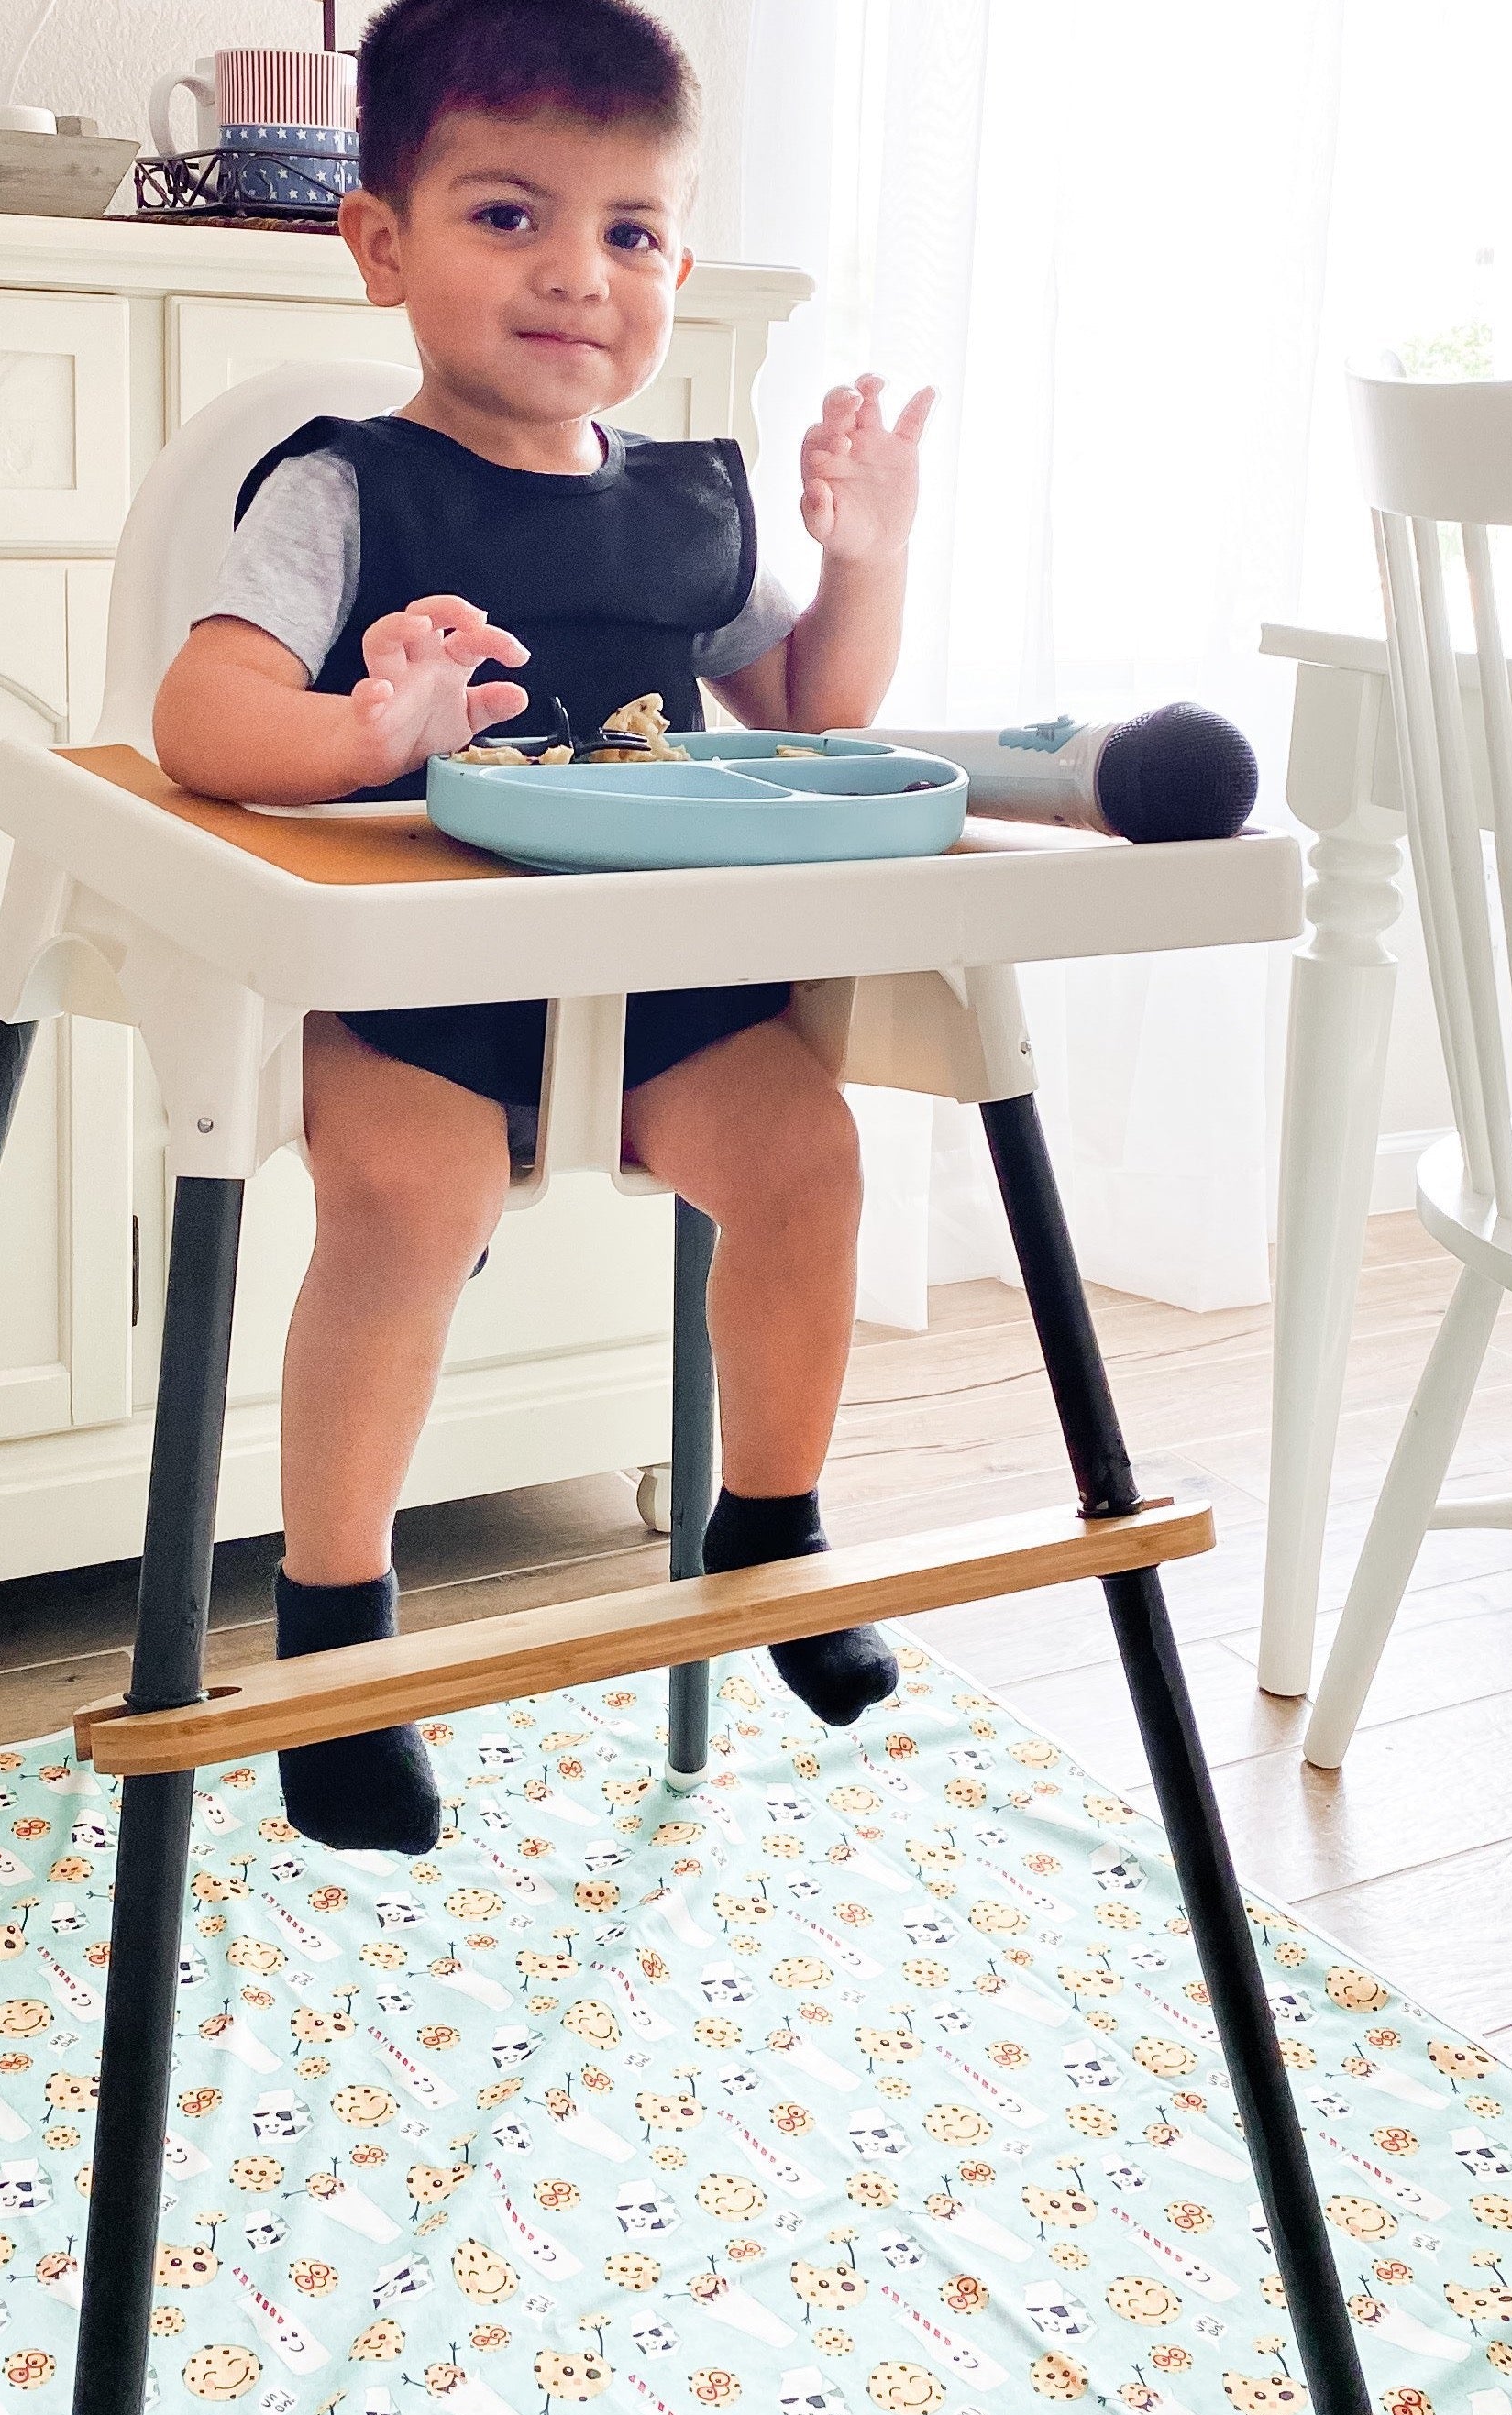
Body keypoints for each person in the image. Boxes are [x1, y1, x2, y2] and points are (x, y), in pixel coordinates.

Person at [153, 0, 931, 1857]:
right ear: (380, 243)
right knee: (409, 1207)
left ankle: (775, 1532)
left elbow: (813, 718)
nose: (579, 275)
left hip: (662, 986)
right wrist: (367, 731)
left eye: (632, 233)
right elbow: (201, 715)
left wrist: (868, 557)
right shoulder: (347, 490)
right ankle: (340, 1629)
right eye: (509, 217)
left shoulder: (689, 508)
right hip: (427, 988)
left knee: (811, 1162)